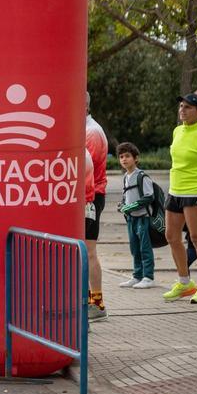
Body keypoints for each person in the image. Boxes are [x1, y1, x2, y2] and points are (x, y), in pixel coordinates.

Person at [162, 92, 197, 303]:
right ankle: (184, 283)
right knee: (171, 236)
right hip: (175, 191)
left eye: (188, 107)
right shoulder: (177, 131)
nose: (182, 110)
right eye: (181, 106)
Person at [116, 142, 156, 289]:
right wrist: (122, 205)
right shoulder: (125, 177)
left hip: (143, 218)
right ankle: (137, 276)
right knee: (134, 248)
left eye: (127, 156)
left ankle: (148, 277)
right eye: (121, 157)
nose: (124, 159)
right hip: (131, 219)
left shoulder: (142, 176)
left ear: (136, 158)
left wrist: (130, 207)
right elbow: (125, 196)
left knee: (145, 248)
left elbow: (149, 197)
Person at [84, 93, 109, 320]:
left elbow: (83, 169)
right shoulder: (84, 129)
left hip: (90, 197)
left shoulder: (91, 132)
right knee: (84, 250)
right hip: (86, 197)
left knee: (89, 251)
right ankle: (91, 301)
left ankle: (97, 304)